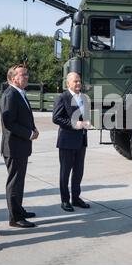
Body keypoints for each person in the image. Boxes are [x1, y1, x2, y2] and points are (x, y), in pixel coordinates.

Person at [0, 64, 39, 228]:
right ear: (13, 78)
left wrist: (33, 128)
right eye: (23, 75)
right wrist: (29, 134)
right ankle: (14, 218)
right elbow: (9, 122)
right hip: (14, 147)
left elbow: (25, 117)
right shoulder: (10, 95)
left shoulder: (19, 93)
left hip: (21, 146)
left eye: (27, 74)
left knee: (19, 181)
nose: (27, 77)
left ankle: (19, 210)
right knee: (14, 182)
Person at [52, 72, 90, 212]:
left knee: (78, 171)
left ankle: (76, 198)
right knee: (65, 172)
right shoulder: (62, 97)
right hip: (67, 141)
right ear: (68, 83)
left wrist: (87, 122)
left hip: (81, 141)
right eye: (75, 81)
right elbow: (56, 118)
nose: (78, 84)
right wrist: (76, 124)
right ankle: (65, 200)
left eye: (79, 81)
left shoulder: (84, 98)